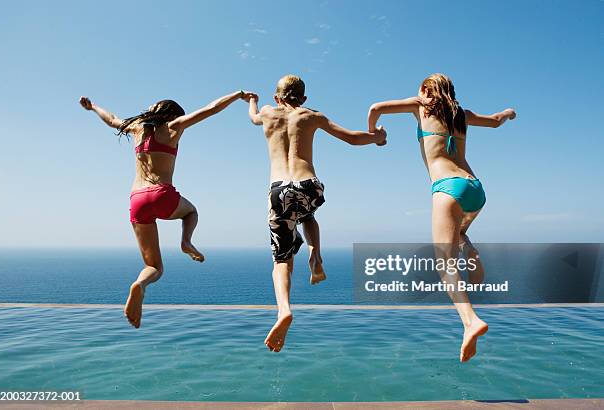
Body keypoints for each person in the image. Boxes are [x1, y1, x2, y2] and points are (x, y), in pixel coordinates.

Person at [367, 73, 516, 362]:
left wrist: (375, 136)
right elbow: (497, 120)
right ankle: (469, 249)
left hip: (447, 188)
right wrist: (509, 113)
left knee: (444, 264)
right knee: (457, 234)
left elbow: (376, 108)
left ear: (426, 89)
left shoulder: (420, 104)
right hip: (475, 189)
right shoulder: (462, 114)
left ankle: (470, 321)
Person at [79, 91, 253, 328]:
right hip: (162, 194)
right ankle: (186, 242)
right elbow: (211, 108)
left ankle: (140, 285)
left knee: (153, 266)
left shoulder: (136, 127)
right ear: (172, 114)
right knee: (191, 212)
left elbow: (111, 119)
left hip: (137, 199)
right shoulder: (175, 127)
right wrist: (238, 95)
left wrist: (93, 107)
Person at [248, 74, 387, 352]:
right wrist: (376, 138)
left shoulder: (266, 113)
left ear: (276, 97)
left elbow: (252, 116)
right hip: (309, 186)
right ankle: (315, 253)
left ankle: (284, 310)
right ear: (304, 99)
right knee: (308, 214)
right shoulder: (312, 115)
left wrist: (251, 100)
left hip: (278, 191)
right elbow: (350, 138)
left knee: (281, 260)